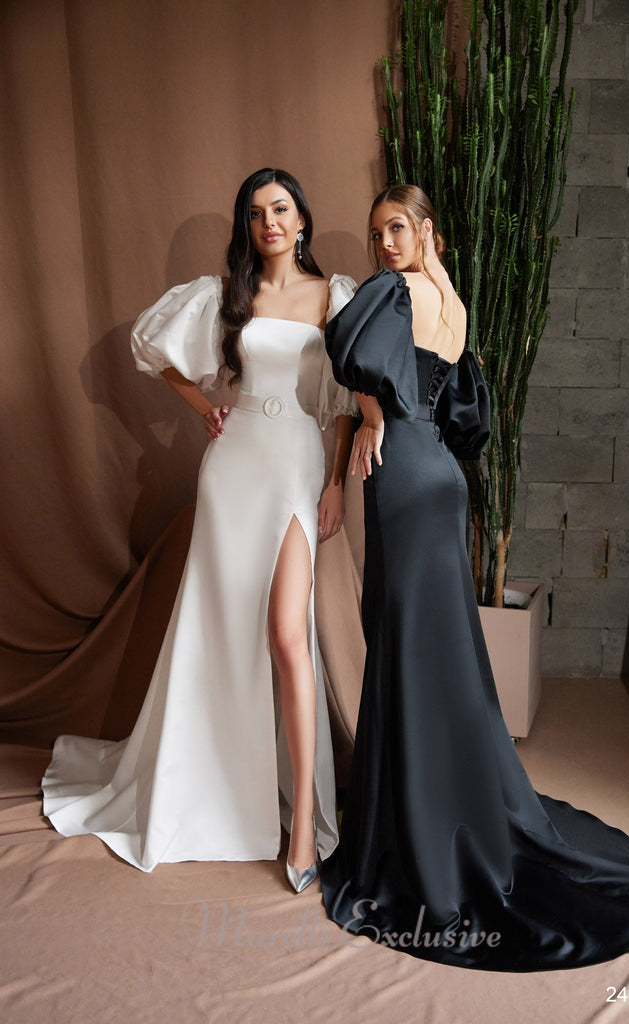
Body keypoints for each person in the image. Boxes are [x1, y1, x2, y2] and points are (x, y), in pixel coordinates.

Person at [320, 184, 629, 969]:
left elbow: (348, 351)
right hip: (443, 476)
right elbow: (464, 414)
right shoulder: (453, 305)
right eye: (376, 233)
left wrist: (373, 418)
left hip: (400, 474)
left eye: (396, 228)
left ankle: (410, 820)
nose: (384, 245)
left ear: (426, 231)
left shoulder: (390, 293)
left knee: (403, 643)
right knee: (437, 646)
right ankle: (449, 798)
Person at [42, 168, 357, 890]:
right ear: (248, 226)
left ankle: (301, 827)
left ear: (301, 219)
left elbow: (344, 398)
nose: (269, 222)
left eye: (280, 209)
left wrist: (336, 482)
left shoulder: (332, 296)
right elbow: (155, 353)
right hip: (233, 466)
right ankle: (210, 787)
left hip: (297, 465)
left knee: (287, 636)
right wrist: (203, 408)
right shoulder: (229, 296)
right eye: (256, 213)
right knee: (217, 628)